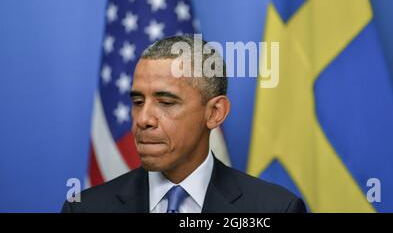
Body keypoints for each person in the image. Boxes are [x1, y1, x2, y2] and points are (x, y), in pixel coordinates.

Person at [62, 35, 306, 213]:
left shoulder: (275, 209)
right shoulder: (84, 208)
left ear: (215, 113)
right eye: (138, 101)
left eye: (166, 103)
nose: (143, 119)